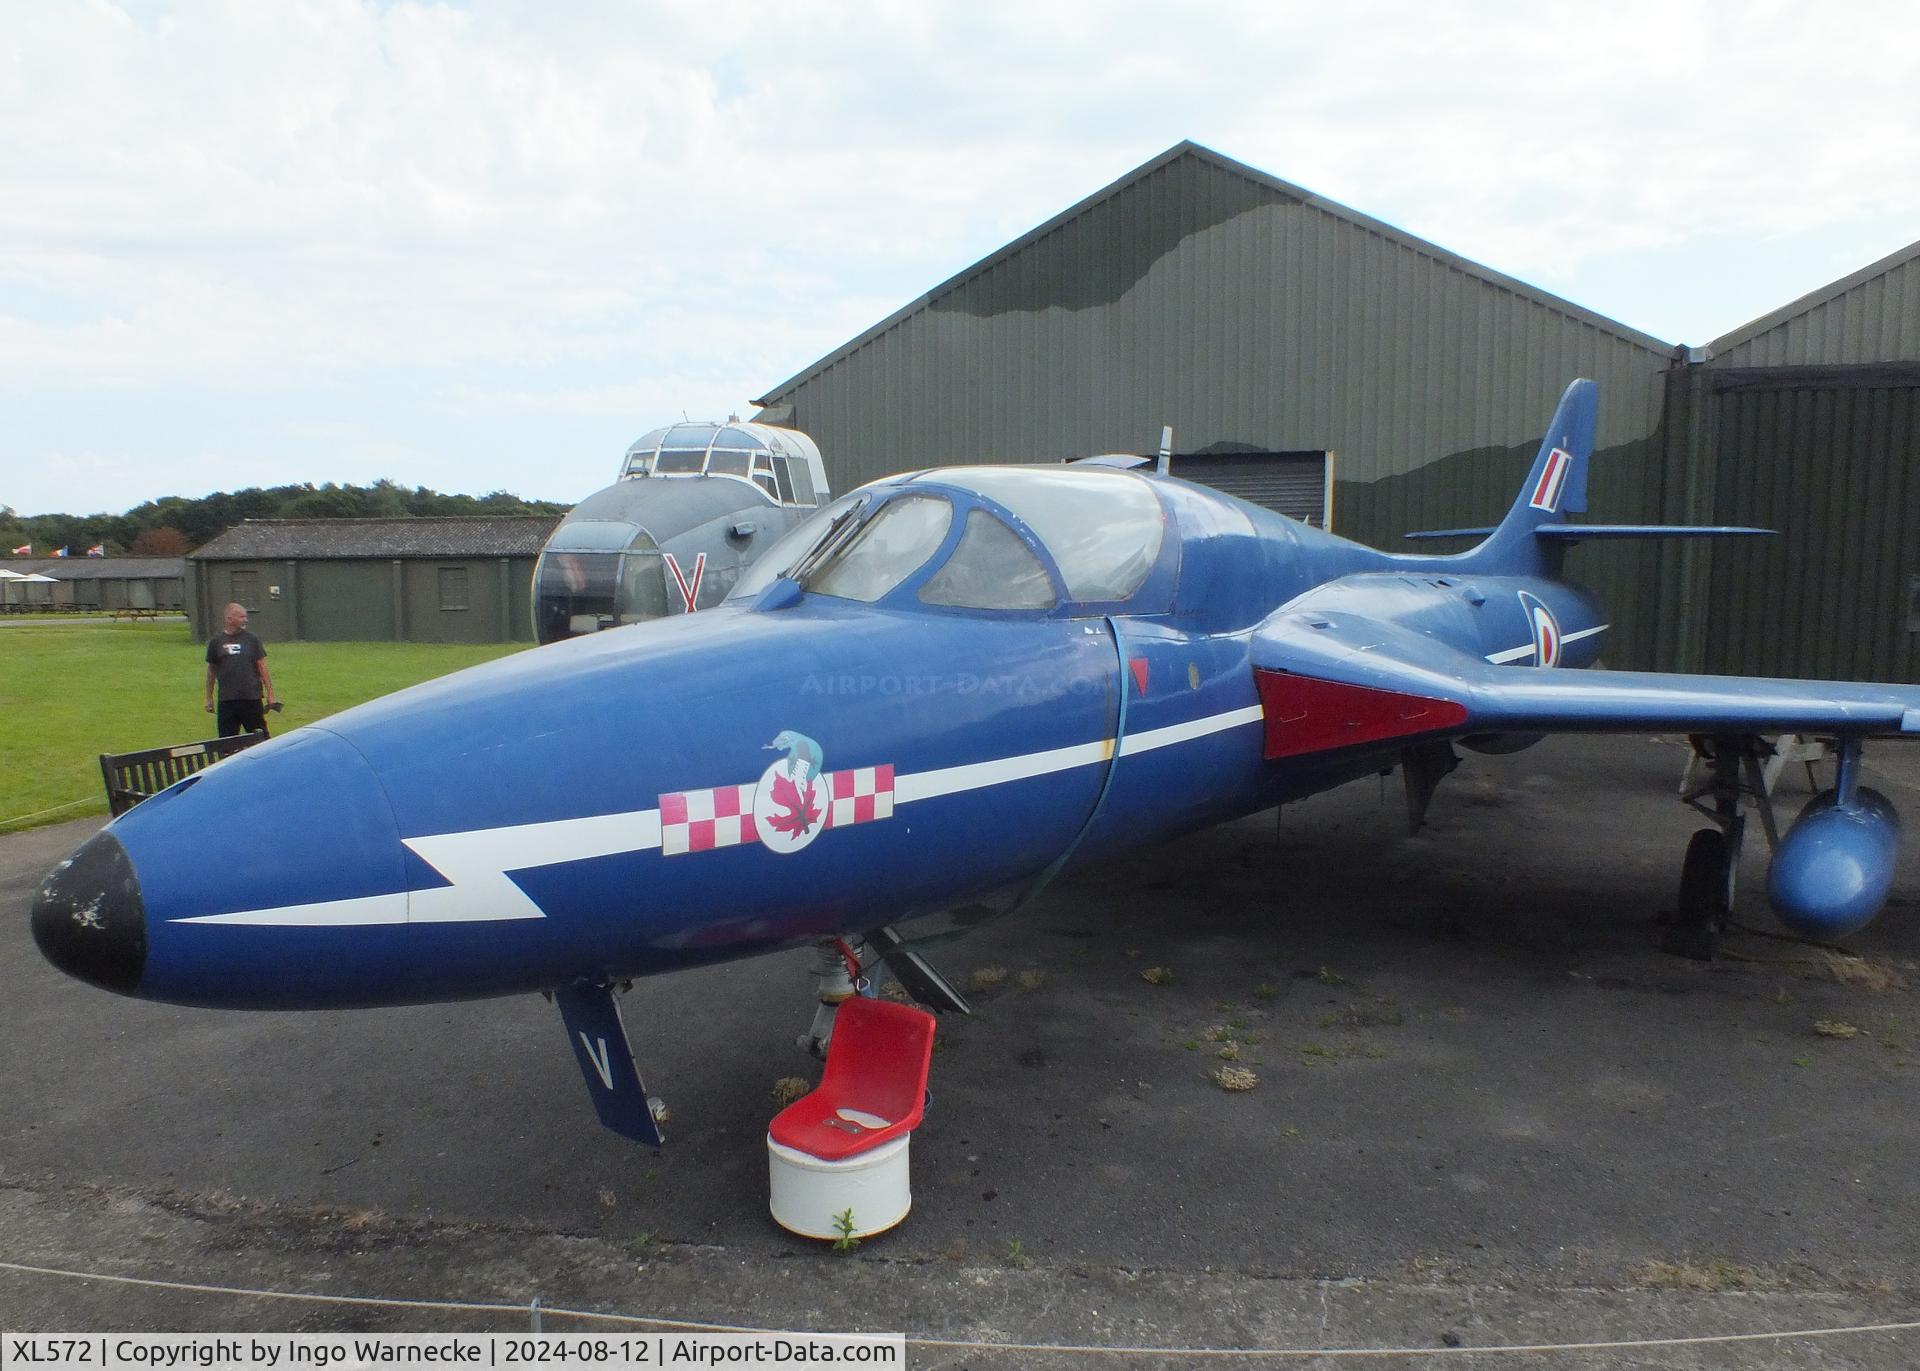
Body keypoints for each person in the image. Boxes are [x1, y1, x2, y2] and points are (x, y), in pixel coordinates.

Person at [204, 602, 277, 737]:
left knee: (260, 739)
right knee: (226, 742)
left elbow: (262, 667)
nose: (246, 620)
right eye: (242, 617)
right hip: (227, 700)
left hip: (251, 698)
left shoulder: (252, 639)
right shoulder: (216, 642)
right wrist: (208, 697)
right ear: (230, 619)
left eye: (246, 617)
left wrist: (270, 694)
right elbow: (211, 671)